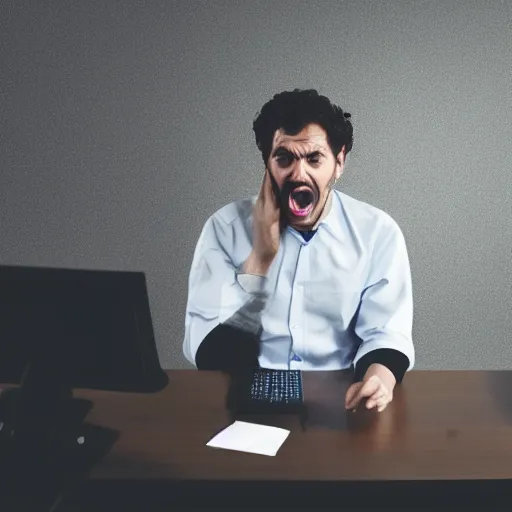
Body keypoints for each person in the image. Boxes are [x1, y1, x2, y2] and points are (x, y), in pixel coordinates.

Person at [183, 89, 414, 413]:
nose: (299, 173)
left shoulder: (378, 232)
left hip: (341, 401)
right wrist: (260, 260)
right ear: (268, 163)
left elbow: (386, 333)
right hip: (244, 400)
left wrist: (380, 379)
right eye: (284, 158)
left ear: (339, 162)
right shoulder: (224, 229)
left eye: (313, 158)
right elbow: (209, 355)